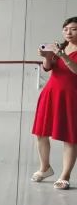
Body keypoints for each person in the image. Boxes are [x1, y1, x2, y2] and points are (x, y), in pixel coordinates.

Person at [31, 17, 77, 190]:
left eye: (73, 29)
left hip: (70, 96)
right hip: (50, 93)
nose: (68, 32)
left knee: (70, 137)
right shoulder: (59, 47)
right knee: (41, 133)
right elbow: (47, 68)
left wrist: (63, 55)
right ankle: (45, 168)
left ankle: (65, 175)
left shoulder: (62, 51)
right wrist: (47, 57)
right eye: (65, 29)